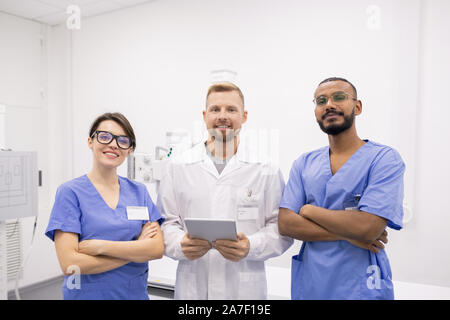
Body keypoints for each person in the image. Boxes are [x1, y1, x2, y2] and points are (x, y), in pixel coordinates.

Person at [157, 82, 293, 299]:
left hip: (245, 291)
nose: (222, 116)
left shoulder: (266, 168)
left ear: (244, 116)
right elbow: (166, 223)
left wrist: (251, 246)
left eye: (231, 109)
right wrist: (180, 244)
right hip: (193, 288)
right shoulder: (178, 166)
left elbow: (281, 229)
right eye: (215, 109)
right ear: (204, 116)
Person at [278, 77, 405, 300]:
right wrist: (349, 234)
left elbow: (368, 228)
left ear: (357, 107)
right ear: (316, 111)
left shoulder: (384, 159)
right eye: (321, 100)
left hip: (361, 286)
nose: (329, 104)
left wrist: (309, 210)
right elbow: (286, 223)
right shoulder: (304, 163)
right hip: (312, 284)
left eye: (339, 97)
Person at [45, 112, 164, 300]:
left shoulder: (138, 192)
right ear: (90, 142)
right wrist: (137, 248)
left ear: (130, 149)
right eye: (105, 136)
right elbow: (70, 264)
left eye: (123, 140)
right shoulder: (70, 192)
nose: (114, 144)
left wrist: (102, 247)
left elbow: (156, 249)